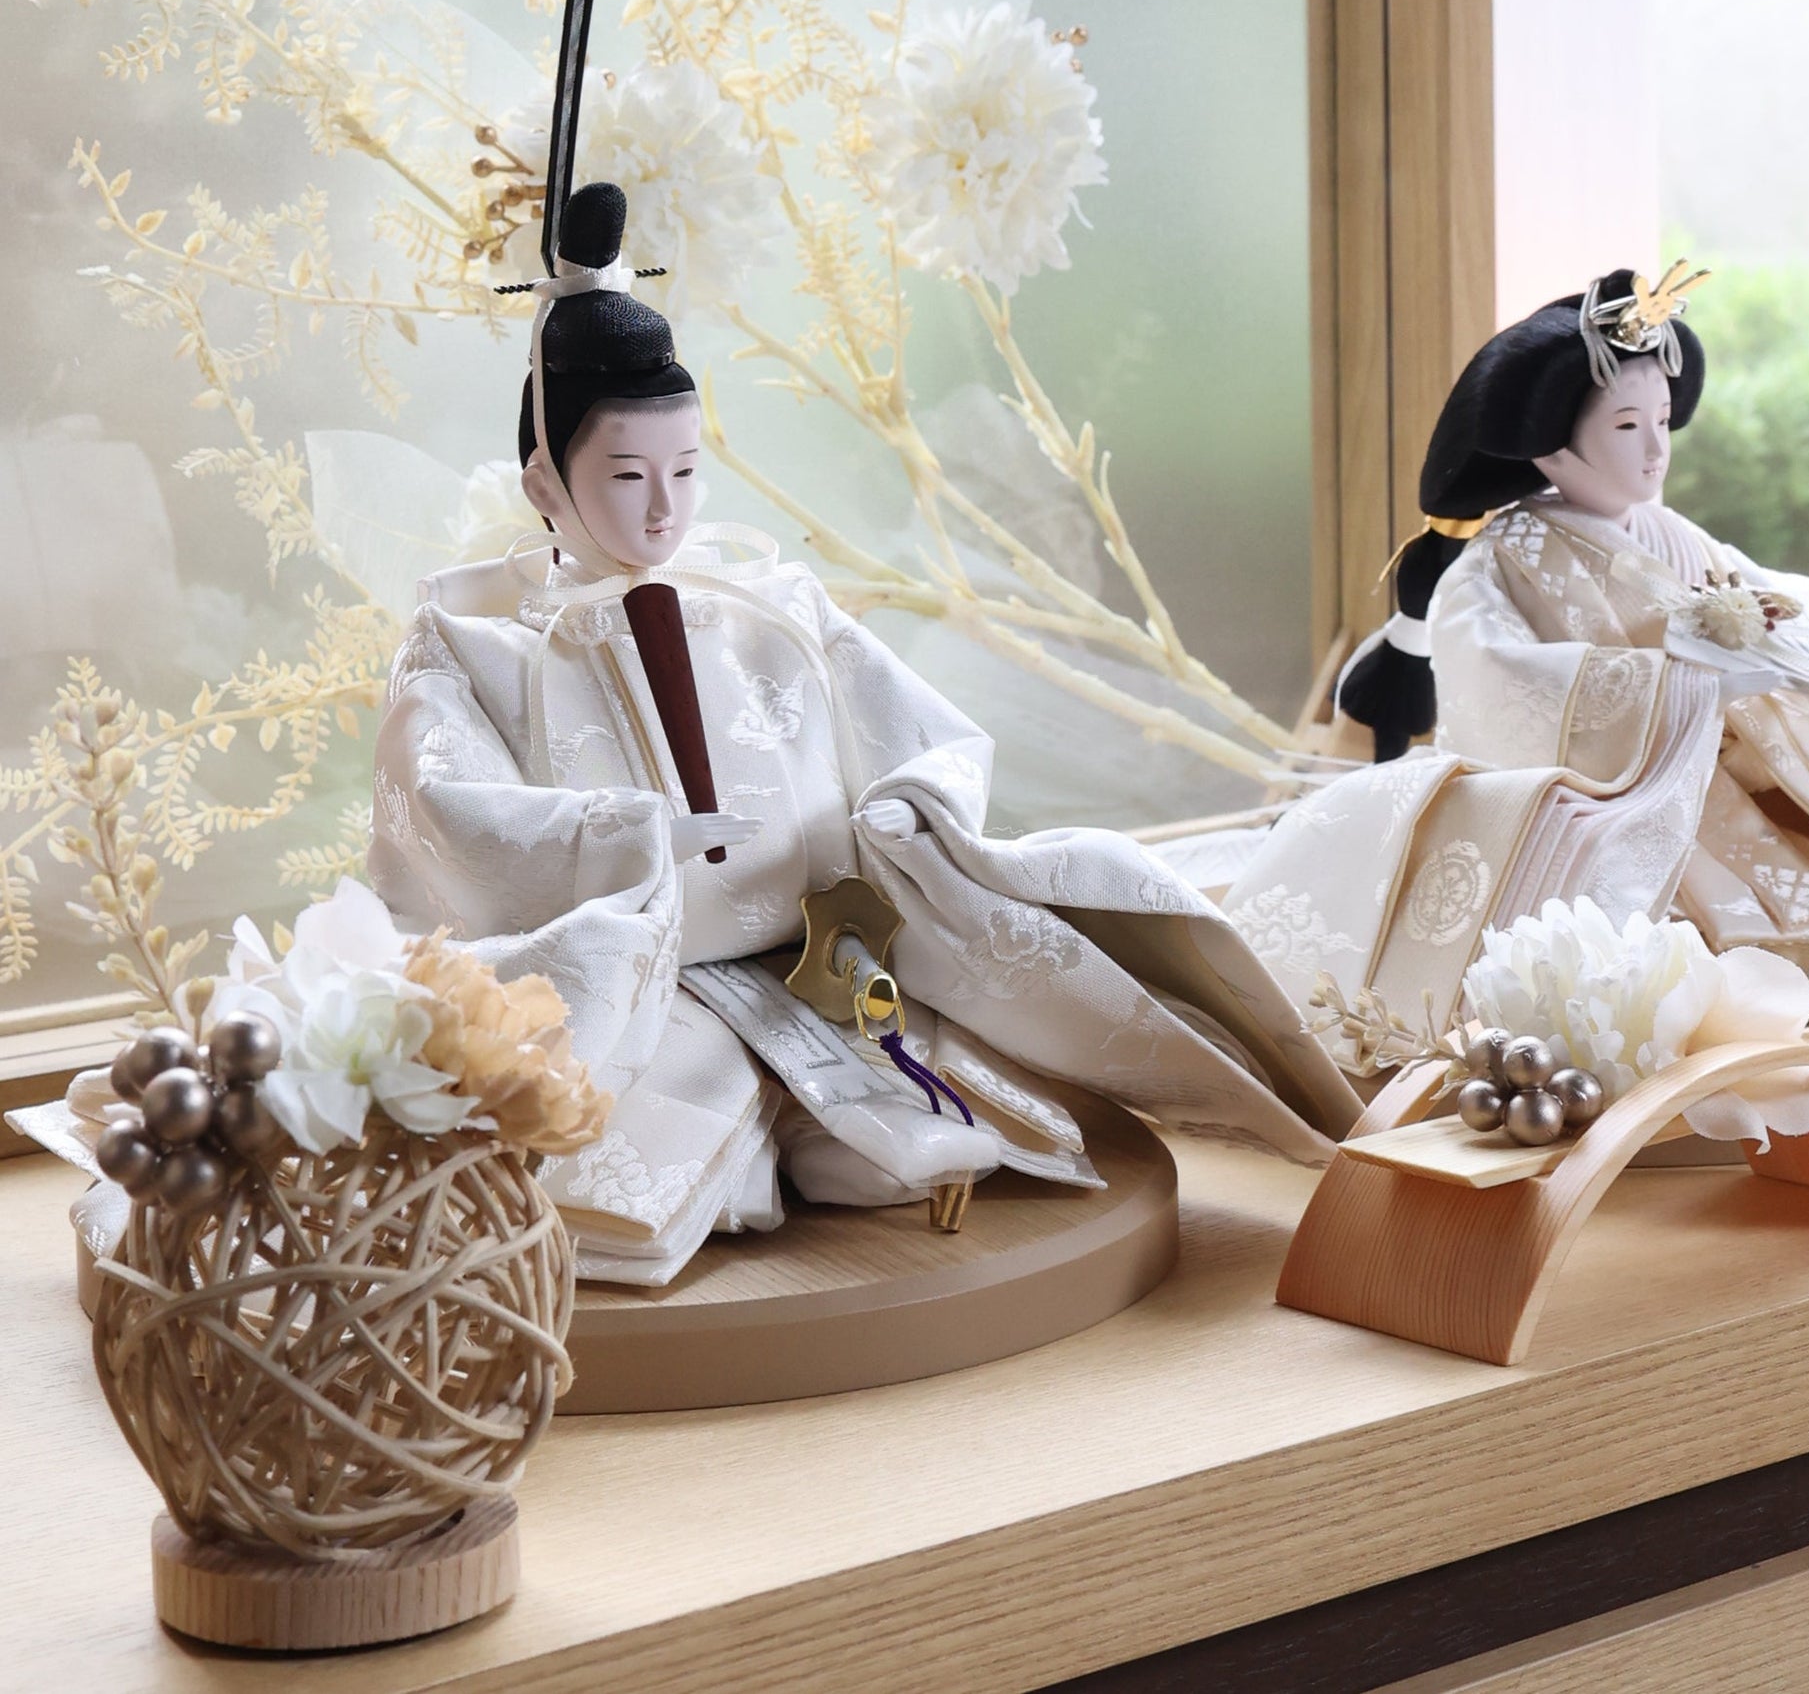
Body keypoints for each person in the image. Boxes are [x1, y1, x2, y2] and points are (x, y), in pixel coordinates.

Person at [368, 180, 1360, 1283]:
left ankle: (845, 1129)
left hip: (812, 945)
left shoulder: (768, 604)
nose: (663, 510)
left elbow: (916, 729)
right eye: (627, 475)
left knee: (901, 1091)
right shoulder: (476, 641)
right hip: (645, 971)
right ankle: (755, 1149)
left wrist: (906, 804)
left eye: (686, 472)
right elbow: (444, 809)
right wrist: (621, 836)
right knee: (681, 1137)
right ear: (544, 479)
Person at [1225, 265, 1809, 1047]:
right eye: (1628, 427)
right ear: (1551, 448)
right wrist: (1684, 689)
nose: (1656, 450)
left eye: (1662, 421)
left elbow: (1758, 594)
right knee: (1665, 973)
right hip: (1627, 797)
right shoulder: (1496, 562)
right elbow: (1496, 683)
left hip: (1708, 775)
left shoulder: (1670, 534)